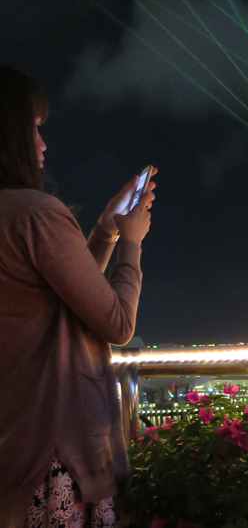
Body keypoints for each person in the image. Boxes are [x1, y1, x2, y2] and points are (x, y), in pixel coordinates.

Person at [0, 65, 156, 527]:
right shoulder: (38, 214)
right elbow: (116, 322)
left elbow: (57, 293)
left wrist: (104, 232)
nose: (43, 144)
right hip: (54, 451)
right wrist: (133, 241)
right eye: (33, 129)